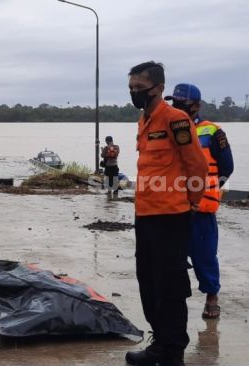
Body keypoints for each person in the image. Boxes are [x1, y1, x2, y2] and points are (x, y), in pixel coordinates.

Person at [126, 61, 208, 366]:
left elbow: (196, 165)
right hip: (145, 214)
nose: (134, 93)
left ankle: (173, 353)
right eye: (131, 88)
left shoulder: (176, 120)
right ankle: (159, 343)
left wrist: (193, 201)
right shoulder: (143, 120)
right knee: (147, 281)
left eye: (139, 88)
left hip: (172, 217)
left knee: (170, 285)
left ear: (158, 89)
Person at [165, 83, 234, 319]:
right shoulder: (168, 130)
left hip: (202, 209)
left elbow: (227, 168)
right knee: (172, 256)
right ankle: (175, 299)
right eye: (174, 103)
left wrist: (209, 189)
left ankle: (211, 295)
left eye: (182, 104)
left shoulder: (212, 132)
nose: (177, 107)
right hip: (173, 205)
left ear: (196, 105)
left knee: (204, 255)